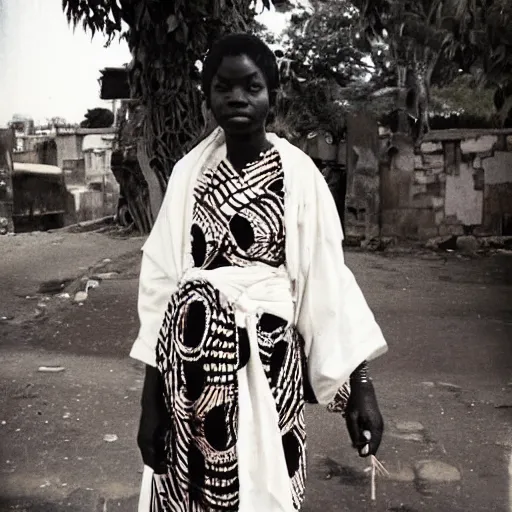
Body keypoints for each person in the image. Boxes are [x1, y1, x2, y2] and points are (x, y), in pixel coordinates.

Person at [131, 33, 388, 512]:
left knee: (268, 488)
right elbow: (160, 289)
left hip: (272, 370)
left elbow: (329, 284)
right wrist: (152, 403)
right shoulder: (189, 174)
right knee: (197, 496)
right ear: (207, 95)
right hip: (190, 377)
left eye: (251, 86)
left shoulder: (300, 175)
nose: (237, 98)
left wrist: (362, 388)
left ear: (272, 93)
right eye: (223, 87)